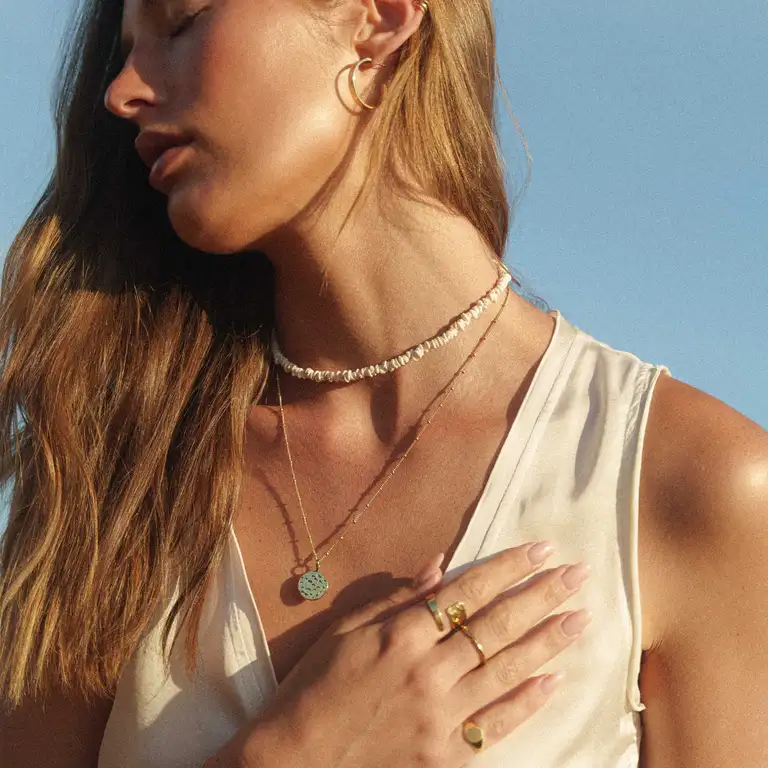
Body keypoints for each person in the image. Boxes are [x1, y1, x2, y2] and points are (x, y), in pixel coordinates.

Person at [1, 0, 766, 766]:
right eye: (126, 50)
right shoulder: (101, 473)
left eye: (180, 22)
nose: (122, 91)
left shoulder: (689, 485)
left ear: (379, 17)